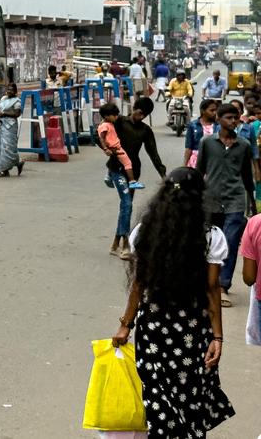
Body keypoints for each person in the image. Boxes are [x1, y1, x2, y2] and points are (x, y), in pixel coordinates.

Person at [110, 167, 234, 436]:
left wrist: (125, 325)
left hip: (154, 329)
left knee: (158, 402)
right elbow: (212, 289)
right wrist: (218, 338)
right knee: (190, 401)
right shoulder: (212, 236)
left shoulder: (144, 232)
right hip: (193, 330)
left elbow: (138, 285)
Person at [196, 104, 256, 308]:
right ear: (219, 119)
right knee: (208, 243)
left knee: (229, 243)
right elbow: (199, 171)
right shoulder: (206, 142)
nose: (233, 121)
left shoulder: (244, 145)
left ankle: (222, 286)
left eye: (236, 118)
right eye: (229, 118)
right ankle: (204, 283)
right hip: (210, 200)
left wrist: (254, 208)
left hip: (235, 201)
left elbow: (247, 177)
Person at [109, 98, 169, 259]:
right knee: (127, 204)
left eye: (145, 115)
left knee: (126, 206)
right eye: (140, 113)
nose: (141, 117)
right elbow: (100, 133)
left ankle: (115, 243)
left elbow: (153, 153)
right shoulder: (119, 122)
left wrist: (164, 176)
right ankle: (126, 244)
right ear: (134, 108)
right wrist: (106, 149)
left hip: (134, 172)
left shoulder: (145, 131)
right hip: (117, 168)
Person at [98, 103, 144, 191]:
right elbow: (101, 138)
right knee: (127, 163)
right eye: (114, 115)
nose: (116, 117)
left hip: (116, 147)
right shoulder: (105, 126)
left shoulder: (108, 123)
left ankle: (108, 176)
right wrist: (106, 149)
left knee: (116, 161)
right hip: (115, 147)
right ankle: (132, 182)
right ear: (106, 116)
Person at [0, 83, 25, 178]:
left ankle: (6, 169)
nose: (9, 91)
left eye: (11, 90)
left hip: (10, 126)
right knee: (1, 147)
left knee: (8, 148)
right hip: (2, 125)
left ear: (15, 91)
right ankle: (12, 166)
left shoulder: (17, 101)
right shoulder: (3, 99)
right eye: (8, 89)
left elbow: (17, 114)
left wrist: (5, 114)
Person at [185, 98, 219, 168]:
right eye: (212, 110)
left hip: (214, 161)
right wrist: (184, 164)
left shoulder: (219, 126)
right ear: (203, 111)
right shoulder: (193, 125)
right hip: (195, 161)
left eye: (216, 110)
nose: (215, 113)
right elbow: (189, 147)